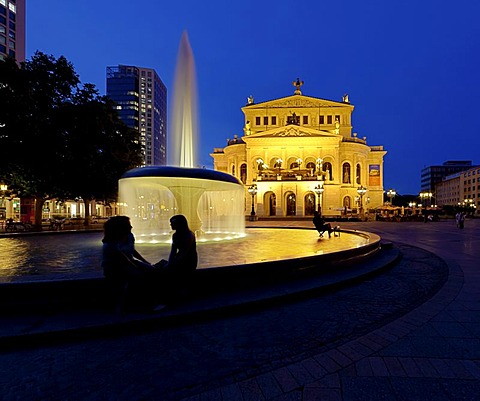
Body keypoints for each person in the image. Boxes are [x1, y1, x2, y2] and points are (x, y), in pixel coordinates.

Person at [101, 216, 163, 314]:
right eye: (128, 225)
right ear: (120, 228)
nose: (131, 227)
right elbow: (122, 259)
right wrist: (139, 267)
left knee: (153, 270)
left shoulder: (129, 236)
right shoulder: (110, 243)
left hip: (129, 262)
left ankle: (154, 301)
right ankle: (145, 305)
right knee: (140, 277)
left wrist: (146, 262)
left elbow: (132, 251)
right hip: (114, 267)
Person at [157, 214, 198, 300]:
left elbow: (185, 253)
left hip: (189, 261)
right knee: (161, 265)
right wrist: (169, 263)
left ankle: (166, 296)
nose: (170, 225)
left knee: (167, 270)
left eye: (172, 223)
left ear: (179, 224)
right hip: (179, 259)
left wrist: (172, 264)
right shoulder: (175, 235)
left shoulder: (190, 235)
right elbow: (173, 252)